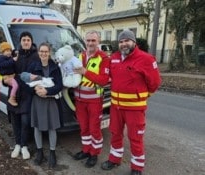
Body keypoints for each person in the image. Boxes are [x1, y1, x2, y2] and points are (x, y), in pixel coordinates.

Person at [101, 29, 161, 175]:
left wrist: (143, 96)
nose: (123, 44)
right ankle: (114, 159)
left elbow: (155, 83)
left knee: (135, 138)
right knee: (115, 133)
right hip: (116, 107)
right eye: (121, 42)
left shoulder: (146, 59)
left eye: (127, 41)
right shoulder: (114, 58)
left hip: (135, 109)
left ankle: (137, 167)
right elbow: (105, 75)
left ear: (134, 42)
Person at [72, 30, 110, 168]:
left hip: (94, 100)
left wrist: (85, 72)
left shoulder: (104, 58)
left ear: (98, 41)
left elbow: (103, 80)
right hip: (79, 100)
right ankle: (86, 150)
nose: (90, 43)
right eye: (88, 40)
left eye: (93, 40)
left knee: (94, 129)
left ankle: (94, 154)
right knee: (84, 128)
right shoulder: (79, 56)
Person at [26, 42, 63, 168]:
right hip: (37, 101)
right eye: (41, 51)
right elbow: (26, 83)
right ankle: (40, 152)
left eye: (46, 51)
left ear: (49, 52)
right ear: (38, 52)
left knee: (52, 127)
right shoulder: (33, 66)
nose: (43, 53)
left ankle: (52, 153)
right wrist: (35, 90)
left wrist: (47, 91)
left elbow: (59, 85)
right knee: (37, 126)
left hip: (51, 100)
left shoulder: (55, 67)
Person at [8, 31, 39, 160]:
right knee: (15, 121)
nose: (26, 42)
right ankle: (17, 144)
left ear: (31, 42)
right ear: (20, 42)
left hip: (28, 93)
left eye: (28, 39)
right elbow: (6, 71)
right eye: (23, 39)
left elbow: (39, 74)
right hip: (14, 94)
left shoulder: (36, 56)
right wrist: (5, 81)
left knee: (26, 121)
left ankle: (24, 145)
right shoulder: (15, 54)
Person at [0, 42, 19, 106]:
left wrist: (16, 52)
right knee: (15, 85)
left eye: (9, 50)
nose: (9, 52)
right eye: (6, 51)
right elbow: (3, 65)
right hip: (7, 77)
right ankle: (11, 98)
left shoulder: (9, 57)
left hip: (12, 76)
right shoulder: (1, 58)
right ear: (2, 52)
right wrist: (13, 60)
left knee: (16, 85)